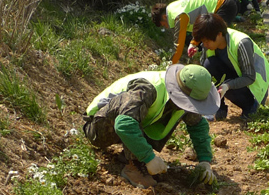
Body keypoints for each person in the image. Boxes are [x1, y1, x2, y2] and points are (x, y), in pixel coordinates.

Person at [83, 64, 219, 188]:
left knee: (181, 113)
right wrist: (149, 157)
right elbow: (124, 123)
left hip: (127, 124)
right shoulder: (147, 88)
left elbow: (197, 125)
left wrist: (204, 161)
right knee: (129, 117)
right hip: (97, 127)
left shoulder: (186, 93)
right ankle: (133, 166)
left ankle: (132, 155)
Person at [192, 13, 269, 120]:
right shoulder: (209, 43)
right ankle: (218, 107)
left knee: (226, 85)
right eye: (203, 42)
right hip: (234, 77)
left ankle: (250, 106)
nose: (205, 45)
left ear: (219, 34)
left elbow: (249, 77)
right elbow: (205, 70)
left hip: (255, 87)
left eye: (207, 41)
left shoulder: (241, 43)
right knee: (208, 66)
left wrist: (228, 86)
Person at [152, 0, 238, 64]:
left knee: (213, 41)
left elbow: (178, 46)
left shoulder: (177, 16)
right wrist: (193, 44)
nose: (166, 27)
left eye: (164, 24)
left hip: (223, 5)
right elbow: (201, 27)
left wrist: (170, 66)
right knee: (208, 42)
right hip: (223, 3)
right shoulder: (174, 8)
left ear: (164, 17)